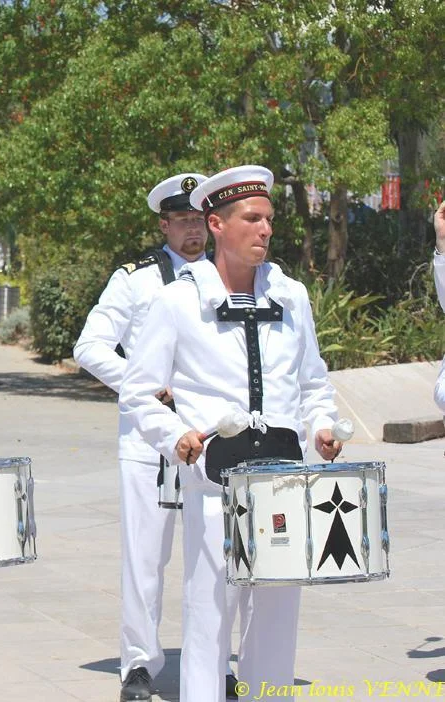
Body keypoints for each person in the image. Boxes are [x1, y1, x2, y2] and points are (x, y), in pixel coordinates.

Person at [119, 165, 343, 701]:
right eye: (252, 219)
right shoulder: (176, 301)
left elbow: (313, 383)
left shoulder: (292, 297)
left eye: (268, 219)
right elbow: (139, 391)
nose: (265, 230)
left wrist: (323, 428)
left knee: (277, 614)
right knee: (208, 614)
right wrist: (175, 436)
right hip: (215, 484)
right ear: (216, 224)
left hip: (285, 481)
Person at [75, 173, 246, 701]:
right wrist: (148, 385)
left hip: (215, 440)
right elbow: (91, 345)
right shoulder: (136, 280)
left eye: (198, 220)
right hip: (151, 437)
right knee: (146, 556)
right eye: (181, 222)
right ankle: (140, 664)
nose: (191, 231)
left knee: (219, 554)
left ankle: (214, 661)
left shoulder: (233, 278)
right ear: (164, 225)